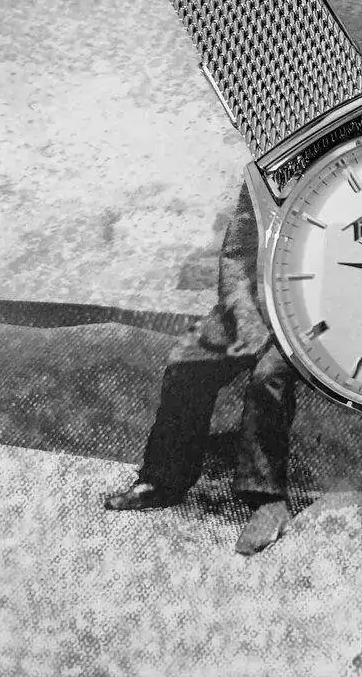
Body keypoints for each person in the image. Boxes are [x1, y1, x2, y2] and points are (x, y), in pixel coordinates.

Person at [104, 182, 298, 557]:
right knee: (187, 361)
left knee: (268, 376)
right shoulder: (266, 171)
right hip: (261, 304)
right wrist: (247, 320)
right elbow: (238, 257)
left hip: (317, 313)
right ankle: (165, 480)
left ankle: (267, 501)